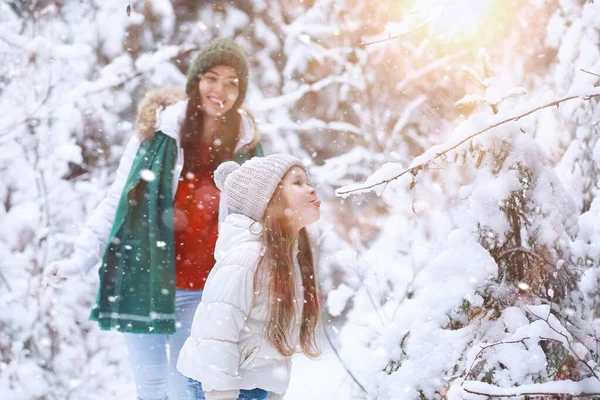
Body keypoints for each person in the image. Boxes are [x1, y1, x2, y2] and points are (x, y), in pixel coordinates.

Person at [44, 38, 263, 400]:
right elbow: (116, 201)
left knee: (185, 390)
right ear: (195, 81)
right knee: (150, 387)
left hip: (206, 292)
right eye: (212, 77)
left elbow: (262, 221)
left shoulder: (246, 147)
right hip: (145, 278)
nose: (219, 90)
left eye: (231, 82)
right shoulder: (158, 134)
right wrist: (80, 260)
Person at [176, 154, 322, 400]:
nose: (311, 189)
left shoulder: (286, 257)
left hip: (250, 385)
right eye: (297, 183)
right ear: (268, 201)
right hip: (224, 386)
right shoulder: (247, 257)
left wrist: (273, 390)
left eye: (307, 182)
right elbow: (217, 332)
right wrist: (222, 393)